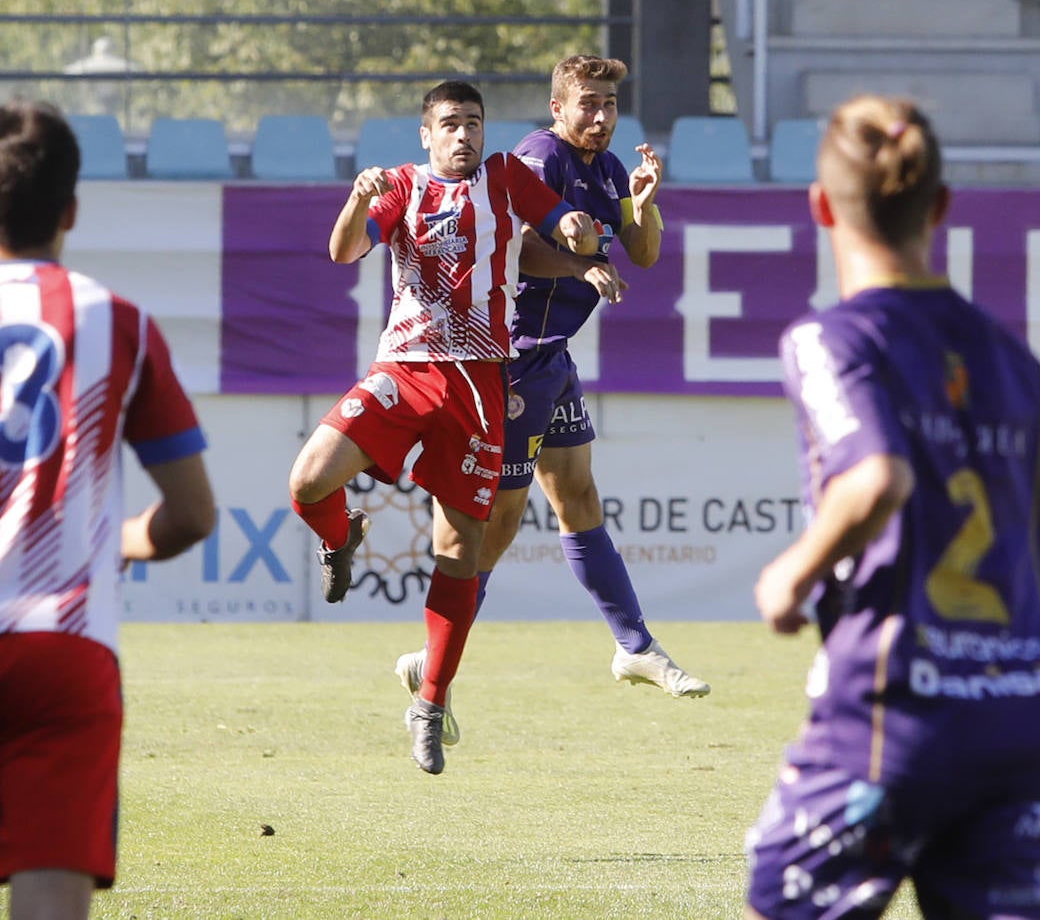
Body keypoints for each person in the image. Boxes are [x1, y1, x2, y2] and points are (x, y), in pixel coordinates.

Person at [745, 93, 1040, 919]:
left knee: (778, 895)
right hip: (1016, 723)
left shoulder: (832, 338)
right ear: (941, 207)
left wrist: (790, 576)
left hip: (893, 718)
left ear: (819, 207)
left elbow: (876, 477)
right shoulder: (1012, 353)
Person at [395, 56, 709, 748]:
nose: (601, 117)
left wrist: (644, 201)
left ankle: (633, 645)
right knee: (497, 526)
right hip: (505, 359)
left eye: (609, 104)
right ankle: (433, 668)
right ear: (558, 106)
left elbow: (643, 254)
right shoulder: (538, 158)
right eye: (588, 104)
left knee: (578, 494)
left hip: (551, 359)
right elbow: (521, 246)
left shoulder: (609, 168)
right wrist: (581, 264)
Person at [287, 80, 597, 776]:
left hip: (480, 382)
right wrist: (358, 200)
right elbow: (343, 252)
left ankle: (429, 704)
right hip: (405, 370)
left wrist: (578, 231)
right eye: (450, 125)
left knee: (459, 550)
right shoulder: (397, 186)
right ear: (426, 134)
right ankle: (342, 539)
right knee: (308, 482)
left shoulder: (506, 177)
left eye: (474, 123)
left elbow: (561, 221)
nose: (465, 136)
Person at [0, 100, 215, 920]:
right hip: (65, 649)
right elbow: (192, 515)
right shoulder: (115, 320)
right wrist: (123, 537)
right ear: (72, 210)